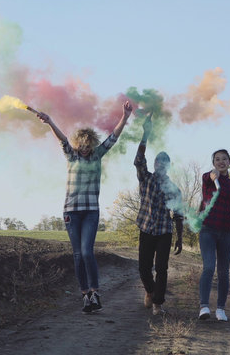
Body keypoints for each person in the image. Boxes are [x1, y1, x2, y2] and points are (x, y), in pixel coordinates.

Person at [36, 101, 133, 313]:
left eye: (88, 145)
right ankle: (85, 295)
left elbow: (113, 138)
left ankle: (95, 292)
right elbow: (62, 139)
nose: (85, 148)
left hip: (90, 211)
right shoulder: (71, 155)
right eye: (82, 145)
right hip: (71, 211)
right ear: (78, 144)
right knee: (77, 254)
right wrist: (50, 121)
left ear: (92, 144)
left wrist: (124, 117)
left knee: (87, 252)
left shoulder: (98, 155)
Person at [134, 113, 184, 315]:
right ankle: (150, 291)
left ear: (168, 166)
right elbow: (139, 160)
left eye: (164, 163)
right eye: (158, 162)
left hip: (164, 231)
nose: (160, 165)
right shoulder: (145, 178)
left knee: (161, 268)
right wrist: (146, 134)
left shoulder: (173, 189)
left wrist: (180, 238)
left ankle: (158, 304)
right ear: (154, 165)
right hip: (146, 229)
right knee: (144, 269)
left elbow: (178, 215)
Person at [198, 149, 230, 322]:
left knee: (223, 272)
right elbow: (207, 177)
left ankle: (220, 309)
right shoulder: (209, 179)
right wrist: (213, 176)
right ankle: (204, 306)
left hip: (226, 233)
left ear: (229, 162)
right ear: (214, 163)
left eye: (224, 159)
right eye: (217, 159)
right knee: (209, 267)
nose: (221, 162)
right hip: (208, 231)